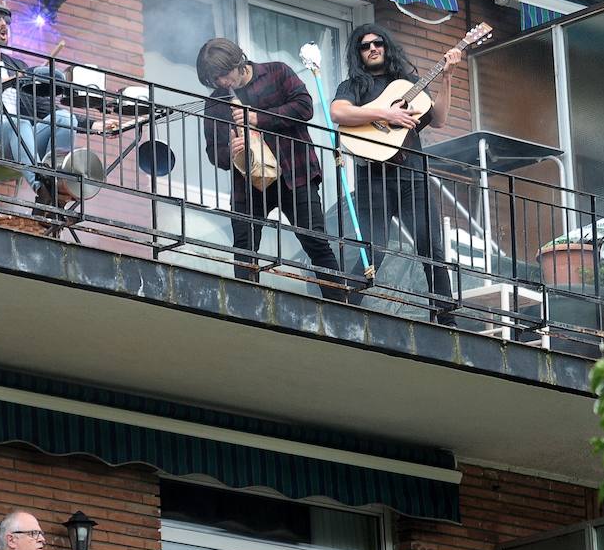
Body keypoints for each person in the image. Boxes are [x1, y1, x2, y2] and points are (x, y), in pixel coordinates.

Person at [196, 38, 351, 301]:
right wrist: (230, 151)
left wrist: (257, 118)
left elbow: (304, 107)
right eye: (215, 79)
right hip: (248, 183)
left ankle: (342, 308)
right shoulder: (214, 104)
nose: (222, 82)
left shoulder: (277, 71)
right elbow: (215, 155)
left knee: (315, 242)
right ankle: (246, 307)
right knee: (245, 247)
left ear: (237, 62)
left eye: (223, 74)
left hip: (295, 172)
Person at [330, 24, 462, 325]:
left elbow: (439, 118)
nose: (373, 48)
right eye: (365, 46)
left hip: (412, 175)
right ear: (358, 53)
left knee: (432, 246)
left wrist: (449, 75)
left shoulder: (407, 84)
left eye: (378, 43)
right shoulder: (354, 86)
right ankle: (347, 306)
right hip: (373, 176)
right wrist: (386, 114)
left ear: (386, 46)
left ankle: (445, 316)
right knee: (374, 247)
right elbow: (338, 112)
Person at [0, 2, 80, 214]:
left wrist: (95, 124)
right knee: (18, 123)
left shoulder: (17, 66)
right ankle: (42, 187)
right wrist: (8, 81)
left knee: (66, 119)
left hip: (21, 141)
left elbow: (46, 108)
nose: (3, 24)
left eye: (6, 20)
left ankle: (57, 189)